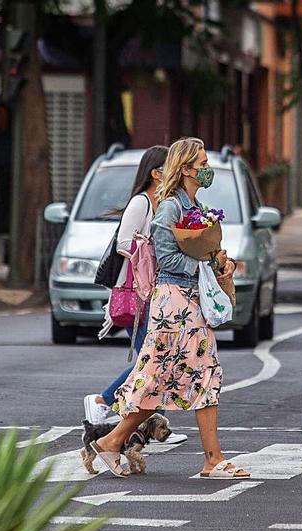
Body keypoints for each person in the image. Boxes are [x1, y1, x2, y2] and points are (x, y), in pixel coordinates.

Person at [89, 137, 250, 479]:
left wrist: (217, 261)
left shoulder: (194, 207)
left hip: (190, 303)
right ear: (186, 168)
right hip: (175, 303)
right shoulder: (169, 208)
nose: (207, 170)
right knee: (173, 376)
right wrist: (203, 264)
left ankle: (113, 442)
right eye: (202, 164)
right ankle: (208, 459)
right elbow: (167, 258)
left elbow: (194, 252)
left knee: (194, 375)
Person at [82, 146, 189, 444]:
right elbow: (124, 242)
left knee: (155, 361)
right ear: (156, 173)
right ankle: (104, 402)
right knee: (151, 360)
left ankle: (143, 423)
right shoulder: (141, 203)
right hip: (138, 292)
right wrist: (153, 253)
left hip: (157, 292)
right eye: (171, 168)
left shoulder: (166, 202)